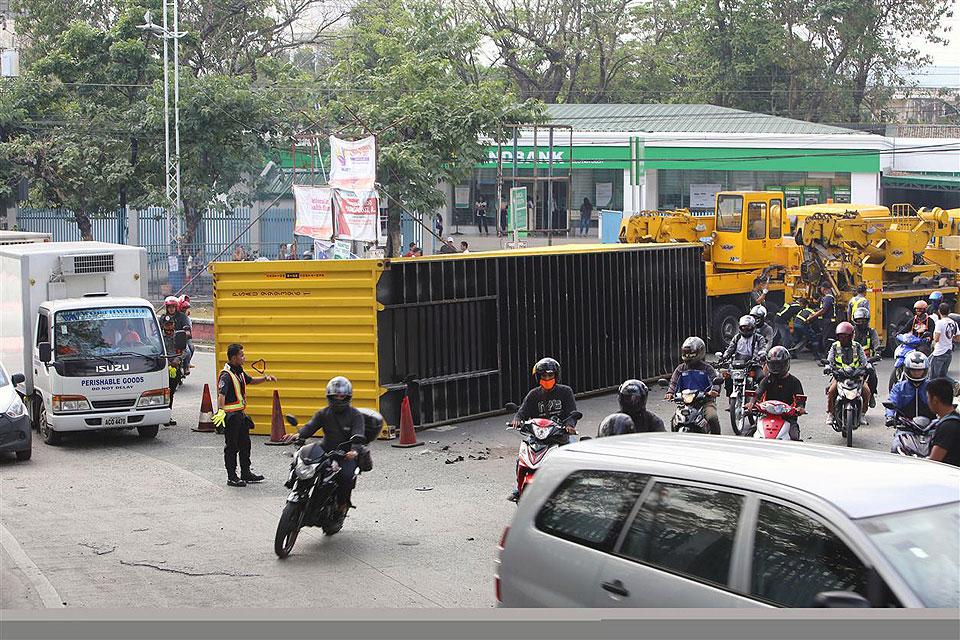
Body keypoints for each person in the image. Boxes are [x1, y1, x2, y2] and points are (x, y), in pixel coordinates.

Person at [281, 376, 368, 514]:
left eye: (342, 395)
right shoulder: (323, 413)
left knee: (345, 475)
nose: (339, 398)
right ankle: (296, 487)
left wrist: (354, 451)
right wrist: (299, 435)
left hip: (345, 454)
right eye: (336, 395)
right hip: (325, 450)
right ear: (330, 396)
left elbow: (358, 435)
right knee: (302, 460)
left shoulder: (355, 415)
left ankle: (342, 504)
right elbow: (310, 426)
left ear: (347, 396)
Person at [509, 357, 579, 501]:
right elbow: (522, 412)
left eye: (550, 375)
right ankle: (518, 487)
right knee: (521, 458)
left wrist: (570, 425)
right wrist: (517, 419)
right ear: (538, 377)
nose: (547, 378)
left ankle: (573, 489)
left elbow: (572, 413)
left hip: (560, 434)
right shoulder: (533, 394)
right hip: (537, 435)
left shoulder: (566, 392)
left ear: (556, 376)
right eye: (544, 376)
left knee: (574, 455)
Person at [212, 343, 277, 487]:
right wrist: (221, 411)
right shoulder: (226, 375)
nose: (244, 357)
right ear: (234, 357)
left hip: (240, 415)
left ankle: (246, 473)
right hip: (231, 416)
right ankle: (232, 477)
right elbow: (221, 395)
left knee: (245, 444)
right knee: (232, 447)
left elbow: (251, 380)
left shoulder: (239, 371)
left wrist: (265, 378)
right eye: (242, 355)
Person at [746, 346, 805, 440]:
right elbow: (758, 392)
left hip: (788, 417)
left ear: (786, 364)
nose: (776, 368)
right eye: (773, 365)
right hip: (767, 415)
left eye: (778, 365)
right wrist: (751, 403)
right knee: (749, 435)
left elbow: (800, 400)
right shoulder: (767, 380)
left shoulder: (794, 381)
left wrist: (800, 408)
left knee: (794, 437)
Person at [665, 337, 722, 435]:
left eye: (691, 353)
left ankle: (717, 439)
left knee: (712, 417)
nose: (688, 356)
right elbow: (673, 382)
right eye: (686, 353)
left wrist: (714, 391)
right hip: (685, 403)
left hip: (705, 402)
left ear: (700, 352)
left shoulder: (707, 368)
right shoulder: (680, 369)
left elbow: (715, 381)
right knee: (675, 420)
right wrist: (670, 392)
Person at [826, 322, 872, 427]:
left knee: (867, 391)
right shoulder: (834, 346)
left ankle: (862, 414)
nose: (843, 338)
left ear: (851, 336)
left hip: (856, 375)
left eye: (845, 336)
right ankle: (831, 413)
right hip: (839, 375)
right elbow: (830, 359)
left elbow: (864, 360)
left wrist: (867, 366)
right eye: (841, 336)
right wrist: (828, 367)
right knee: (831, 391)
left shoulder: (857, 346)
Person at [721, 315, 767, 397]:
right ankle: (731, 397)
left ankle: (760, 397)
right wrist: (724, 357)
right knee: (728, 377)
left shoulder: (759, 338)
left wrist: (762, 355)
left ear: (753, 327)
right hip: (737, 364)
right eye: (743, 327)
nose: (745, 329)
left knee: (762, 377)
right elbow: (730, 349)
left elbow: (763, 348)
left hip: (754, 363)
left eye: (748, 327)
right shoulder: (737, 337)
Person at [885, 352, 934, 426]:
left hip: (930, 427)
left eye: (920, 370)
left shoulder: (932, 387)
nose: (917, 373)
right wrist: (890, 416)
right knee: (897, 438)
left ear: (925, 370)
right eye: (913, 370)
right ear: (907, 370)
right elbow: (892, 402)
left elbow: (943, 403)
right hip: (905, 427)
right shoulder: (899, 387)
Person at [927, 377, 960, 466]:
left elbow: (934, 461)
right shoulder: (955, 418)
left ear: (935, 400)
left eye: (928, 398)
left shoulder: (948, 426)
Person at [851, 306, 880, 405]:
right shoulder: (851, 331)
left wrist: (877, 353)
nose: (861, 323)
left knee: (873, 375)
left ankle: (871, 394)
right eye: (859, 320)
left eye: (863, 320)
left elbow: (876, 344)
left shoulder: (871, 332)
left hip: (867, 360)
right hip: (850, 360)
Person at [808, 282, 838, 358]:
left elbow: (824, 310)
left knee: (827, 340)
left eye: (821, 288)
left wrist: (813, 316)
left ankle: (828, 358)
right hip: (829, 321)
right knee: (827, 339)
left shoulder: (828, 298)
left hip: (828, 322)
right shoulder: (829, 297)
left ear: (824, 288)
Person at [930, 303, 959, 381]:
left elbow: (936, 339)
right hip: (948, 353)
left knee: (933, 377)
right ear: (949, 311)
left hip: (939, 353)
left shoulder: (939, 323)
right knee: (942, 376)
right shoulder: (954, 323)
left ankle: (931, 392)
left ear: (939, 311)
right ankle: (955, 384)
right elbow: (957, 338)